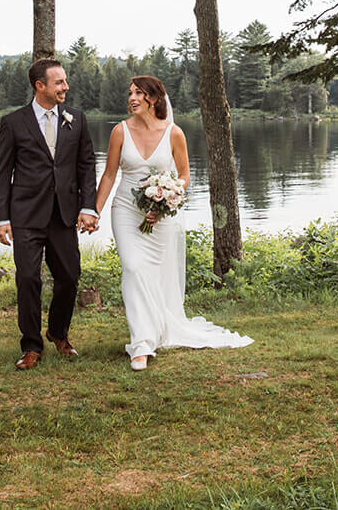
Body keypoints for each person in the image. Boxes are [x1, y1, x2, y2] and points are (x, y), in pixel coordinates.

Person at [95, 75, 252, 370]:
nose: (132, 98)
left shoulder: (174, 133)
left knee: (154, 275)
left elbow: (183, 175)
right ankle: (141, 344)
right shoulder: (119, 131)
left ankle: (154, 330)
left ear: (153, 98)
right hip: (126, 211)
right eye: (130, 93)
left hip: (160, 219)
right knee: (133, 267)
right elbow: (109, 175)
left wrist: (164, 202)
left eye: (138, 93)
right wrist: (95, 211)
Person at [0, 58, 98, 371]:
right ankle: (31, 346)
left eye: (65, 81)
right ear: (40, 86)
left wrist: (87, 206)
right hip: (25, 213)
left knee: (69, 277)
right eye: (59, 82)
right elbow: (1, 173)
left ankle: (57, 331)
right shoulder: (14, 122)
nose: (65, 87)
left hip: (64, 214)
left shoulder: (76, 119)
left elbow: (86, 165)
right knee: (27, 278)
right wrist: (1, 218)